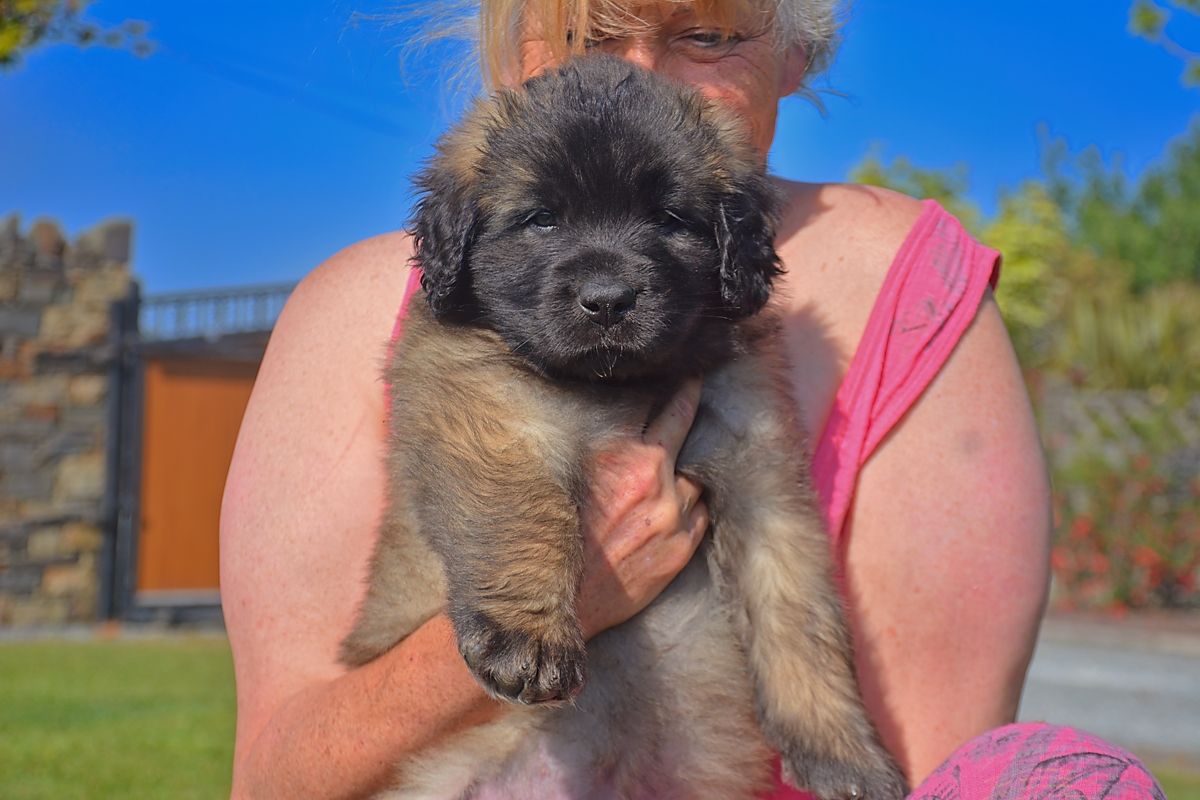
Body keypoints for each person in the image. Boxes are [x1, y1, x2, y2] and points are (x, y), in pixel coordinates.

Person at [219, 1, 1164, 798]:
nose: (649, 76)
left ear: (795, 50)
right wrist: (558, 594)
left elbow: (786, 558)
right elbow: (274, 771)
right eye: (591, 30)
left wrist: (828, 737)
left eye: (708, 34)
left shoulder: (865, 303)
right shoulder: (430, 333)